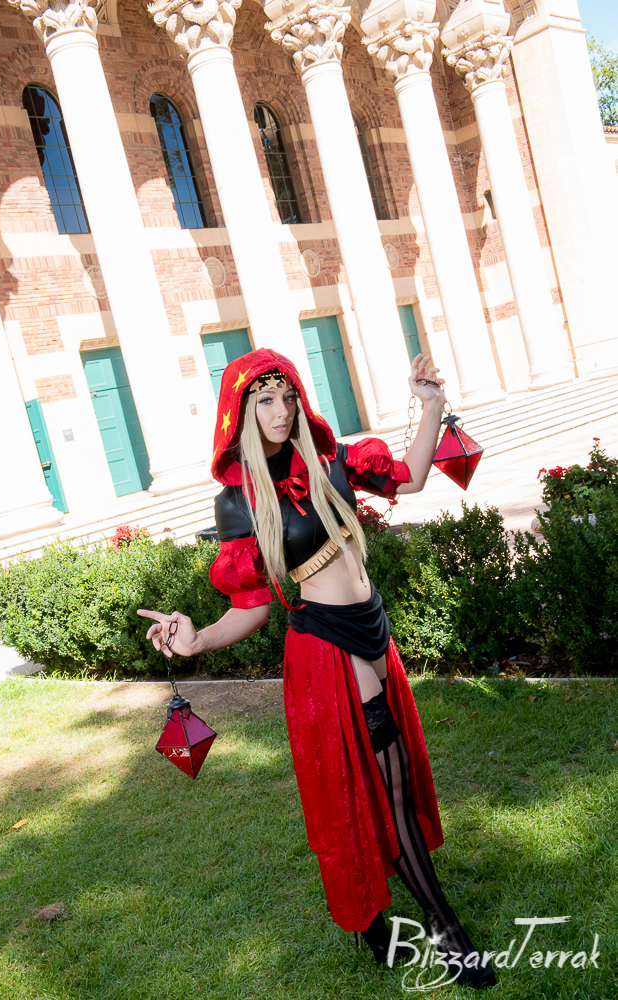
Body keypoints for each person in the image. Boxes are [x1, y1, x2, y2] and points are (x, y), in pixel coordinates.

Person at [138, 348, 496, 990]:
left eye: (287, 397)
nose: (280, 411)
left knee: (386, 783)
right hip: (326, 649)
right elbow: (250, 606)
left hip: (374, 628)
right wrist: (196, 642)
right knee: (380, 786)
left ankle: (375, 925)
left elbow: (412, 477)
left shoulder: (332, 462)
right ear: (241, 414)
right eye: (264, 401)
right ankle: (446, 931)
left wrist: (431, 404)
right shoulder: (239, 505)